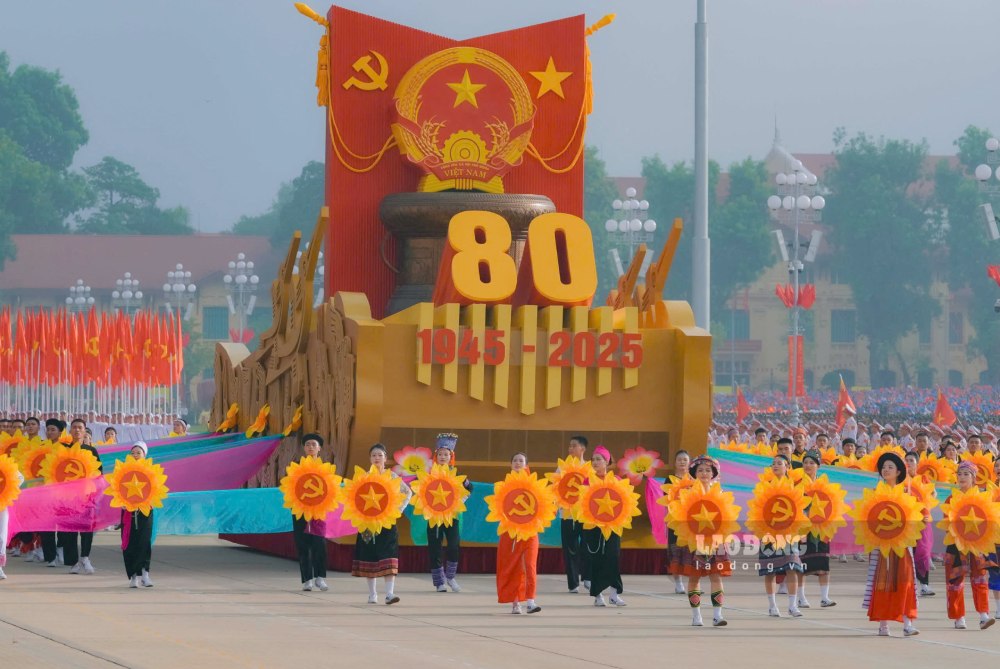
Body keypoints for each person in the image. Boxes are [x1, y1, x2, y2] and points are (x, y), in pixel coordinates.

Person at [864, 452, 919, 637]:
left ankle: (907, 622)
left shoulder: (907, 493)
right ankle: (883, 623)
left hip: (902, 545)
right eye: (884, 467)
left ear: (898, 472)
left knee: (905, 582)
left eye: (890, 467)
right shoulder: (874, 494)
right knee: (882, 582)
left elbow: (918, 517)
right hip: (881, 546)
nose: (886, 470)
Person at [672, 455, 732, 626]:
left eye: (708, 470)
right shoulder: (687, 493)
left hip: (716, 541)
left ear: (713, 473)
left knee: (716, 576)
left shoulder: (720, 492)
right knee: (694, 578)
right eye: (700, 470)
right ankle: (696, 616)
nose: (704, 473)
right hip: (694, 540)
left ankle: (717, 615)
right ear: (694, 473)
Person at [352, 443, 411, 605]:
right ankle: (372, 594)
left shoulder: (392, 477)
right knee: (369, 554)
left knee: (389, 554)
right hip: (367, 523)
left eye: (380, 455)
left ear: (386, 458)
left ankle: (390, 594)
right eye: (374, 455)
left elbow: (407, 493)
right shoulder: (363, 477)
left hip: (387, 523)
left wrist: (397, 510)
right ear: (370, 458)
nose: (377, 458)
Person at [943, 461, 995, 630]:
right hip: (956, 544)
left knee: (980, 577)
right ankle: (959, 616)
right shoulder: (951, 498)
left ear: (974, 478)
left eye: (966, 474)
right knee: (955, 580)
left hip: (978, 544)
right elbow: (947, 520)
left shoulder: (982, 497)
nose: (962, 477)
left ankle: (983, 615)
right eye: (960, 474)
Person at [758, 454, 804, 617]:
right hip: (769, 533)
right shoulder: (765, 486)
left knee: (792, 567)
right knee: (769, 570)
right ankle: (772, 606)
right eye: (773, 464)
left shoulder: (795, 487)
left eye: (780, 463)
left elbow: (800, 510)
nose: (776, 466)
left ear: (788, 467)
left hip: (789, 533)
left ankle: (792, 606)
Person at [496, 452, 541, 614]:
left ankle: (531, 600)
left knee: (530, 565)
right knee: (512, 566)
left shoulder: (534, 485)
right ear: (510, 465)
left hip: (530, 531)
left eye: (520, 460)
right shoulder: (503, 486)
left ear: (526, 464)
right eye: (514, 460)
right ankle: (515, 602)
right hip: (510, 532)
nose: (517, 463)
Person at [426, 432, 472, 593]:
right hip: (434, 517)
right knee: (435, 547)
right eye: (440, 454)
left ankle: (451, 577)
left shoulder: (457, 474)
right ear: (436, 456)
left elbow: (469, 489)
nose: (443, 457)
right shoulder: (429, 474)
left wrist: (459, 503)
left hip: (452, 516)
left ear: (451, 456)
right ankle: (439, 582)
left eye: (446, 454)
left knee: (453, 545)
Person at [584, 446, 626, 607]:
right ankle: (598, 595)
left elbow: (625, 502)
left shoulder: (617, 480)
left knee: (613, 557)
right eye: (593, 459)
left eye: (598, 459)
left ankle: (615, 594)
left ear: (607, 461)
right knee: (597, 559)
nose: (595, 462)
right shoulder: (587, 481)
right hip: (593, 527)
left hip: (613, 526)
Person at [63, 418, 103, 575]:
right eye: (74, 427)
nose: (77, 430)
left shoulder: (91, 451)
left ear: (85, 431)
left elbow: (99, 473)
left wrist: (96, 493)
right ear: (70, 431)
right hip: (68, 497)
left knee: (87, 528)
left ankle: (85, 557)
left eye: (80, 427)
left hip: (87, 496)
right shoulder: (63, 449)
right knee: (70, 530)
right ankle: (73, 562)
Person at [798, 451, 836, 608]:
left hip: (821, 529)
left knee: (823, 563)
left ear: (818, 466)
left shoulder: (824, 485)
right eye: (805, 462)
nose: (808, 465)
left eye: (811, 463)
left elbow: (832, 505)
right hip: (803, 530)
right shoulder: (798, 484)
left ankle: (824, 597)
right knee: (801, 565)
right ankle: (801, 597)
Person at [293, 433, 329, 592]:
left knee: (319, 544)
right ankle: (307, 579)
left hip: (319, 512)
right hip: (300, 510)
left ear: (319, 448)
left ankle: (320, 577)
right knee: (303, 545)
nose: (311, 447)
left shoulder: (325, 468)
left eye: (314, 445)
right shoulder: (296, 467)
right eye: (308, 444)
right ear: (304, 448)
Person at [121, 442, 155, 588]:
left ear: (144, 455)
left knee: (144, 542)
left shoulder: (151, 471)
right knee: (129, 543)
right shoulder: (123, 471)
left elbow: (157, 490)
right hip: (128, 512)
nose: (135, 455)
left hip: (145, 511)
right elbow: (117, 489)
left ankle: (145, 574)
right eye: (132, 453)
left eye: (138, 453)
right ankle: (133, 576)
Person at [560, 435, 589, 594]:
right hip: (567, 514)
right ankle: (573, 583)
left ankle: (587, 576)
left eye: (574, 446)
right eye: (569, 446)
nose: (570, 449)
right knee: (570, 548)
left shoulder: (589, 468)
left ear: (582, 449)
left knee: (587, 546)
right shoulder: (562, 467)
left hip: (585, 514)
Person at [905, 451, 936, 597]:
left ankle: (924, 585)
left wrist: (926, 506)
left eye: (911, 460)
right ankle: (911, 585)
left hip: (923, 520)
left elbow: (933, 494)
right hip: (906, 522)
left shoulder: (923, 479)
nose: (908, 463)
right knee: (907, 552)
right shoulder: (900, 480)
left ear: (917, 463)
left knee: (923, 551)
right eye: (906, 460)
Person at [666, 449, 691, 595]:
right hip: (675, 522)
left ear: (689, 463)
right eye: (679, 459)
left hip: (691, 523)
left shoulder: (694, 480)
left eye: (685, 460)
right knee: (676, 552)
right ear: (675, 463)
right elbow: (666, 501)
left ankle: (693, 583)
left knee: (690, 552)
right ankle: (678, 582)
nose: (682, 462)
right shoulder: (669, 480)